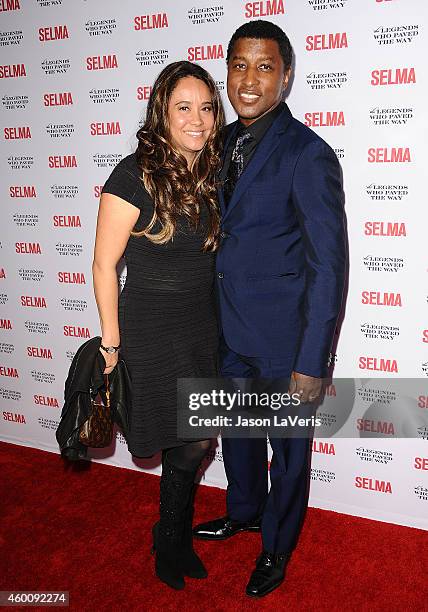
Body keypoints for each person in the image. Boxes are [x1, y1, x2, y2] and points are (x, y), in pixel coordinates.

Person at [193, 21, 346, 597]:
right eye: (238, 65)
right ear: (227, 70)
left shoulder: (308, 154)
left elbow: (329, 266)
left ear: (285, 75)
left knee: (286, 454)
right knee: (236, 435)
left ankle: (278, 545)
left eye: (264, 67)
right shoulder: (220, 144)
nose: (249, 80)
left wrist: (312, 362)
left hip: (285, 340)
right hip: (228, 330)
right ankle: (244, 511)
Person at [92, 61, 225, 590]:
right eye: (183, 108)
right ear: (161, 114)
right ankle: (169, 540)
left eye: (207, 108)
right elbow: (105, 265)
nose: (198, 119)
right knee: (175, 437)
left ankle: (170, 534)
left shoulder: (214, 173)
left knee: (195, 442)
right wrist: (110, 344)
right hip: (149, 329)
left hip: (201, 328)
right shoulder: (133, 175)